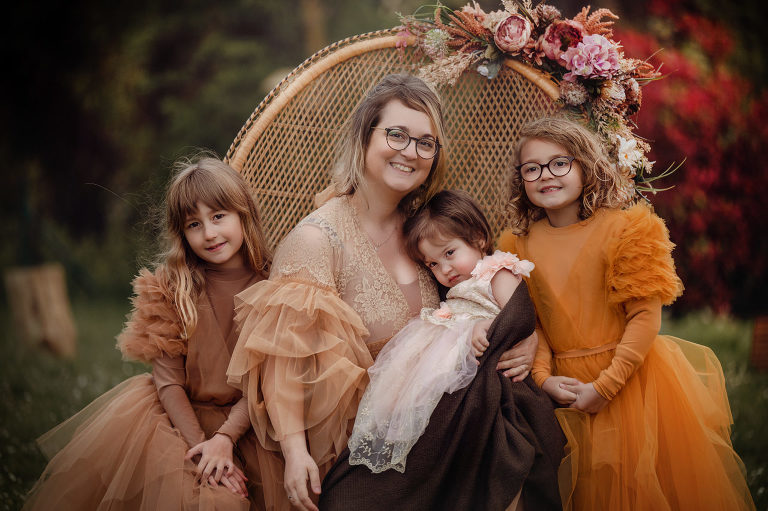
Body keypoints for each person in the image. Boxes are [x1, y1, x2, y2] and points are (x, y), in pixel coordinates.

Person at [226, 74, 538, 511]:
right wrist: (296, 454)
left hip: (446, 431)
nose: (411, 152)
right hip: (362, 445)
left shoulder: (427, 233)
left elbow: (477, 296)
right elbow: (284, 363)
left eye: (426, 142)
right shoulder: (320, 240)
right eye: (397, 135)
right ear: (364, 136)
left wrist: (524, 335)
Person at [498, 115, 755, 510]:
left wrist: (606, 387)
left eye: (560, 163)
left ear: (586, 165)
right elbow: (536, 324)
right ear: (520, 179)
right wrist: (543, 378)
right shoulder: (517, 244)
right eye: (532, 168)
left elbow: (644, 316)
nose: (545, 175)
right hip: (564, 391)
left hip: (630, 384)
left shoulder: (627, 229)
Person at [23, 157, 272, 511]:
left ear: (244, 213)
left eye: (219, 217)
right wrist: (203, 449)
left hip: (252, 421)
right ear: (181, 233)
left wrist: (225, 439)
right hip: (180, 422)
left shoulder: (275, 286)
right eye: (194, 224)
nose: (210, 233)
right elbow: (169, 384)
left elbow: (267, 381)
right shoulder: (174, 288)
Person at [320, 190, 565, 510]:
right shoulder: (453, 288)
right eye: (432, 263)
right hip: (443, 377)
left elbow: (517, 317)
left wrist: (486, 327)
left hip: (482, 381)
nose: (444, 269)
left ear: (478, 238)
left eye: (450, 253)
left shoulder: (496, 273)